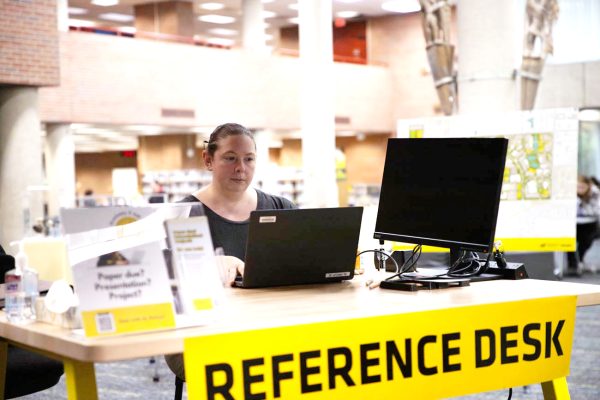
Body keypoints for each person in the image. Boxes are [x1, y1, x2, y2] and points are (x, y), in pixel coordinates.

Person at [165, 122, 295, 380]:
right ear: (208, 159)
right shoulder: (183, 214)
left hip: (271, 324)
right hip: (200, 334)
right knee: (262, 366)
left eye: (249, 159)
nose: (241, 168)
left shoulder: (282, 208)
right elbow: (166, 285)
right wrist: (208, 265)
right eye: (230, 158)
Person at [567, 175, 600, 275]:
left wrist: (583, 203)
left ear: (588, 186)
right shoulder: (570, 194)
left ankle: (580, 260)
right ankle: (573, 265)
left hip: (589, 222)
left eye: (582, 187)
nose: (580, 189)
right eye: (578, 187)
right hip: (573, 223)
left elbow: (597, 210)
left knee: (586, 241)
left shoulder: (594, 193)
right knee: (569, 243)